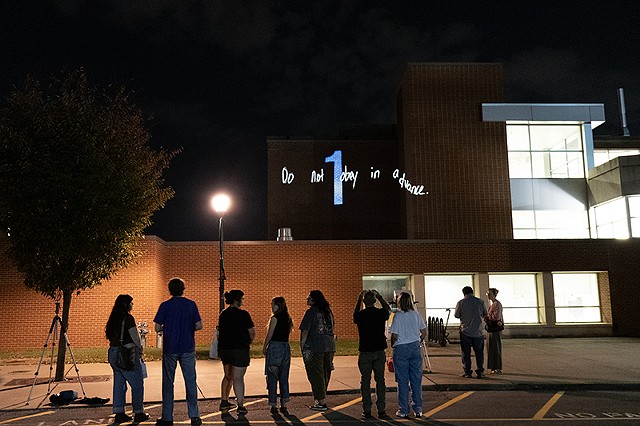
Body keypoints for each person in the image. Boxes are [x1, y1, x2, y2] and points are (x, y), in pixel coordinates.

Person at [153, 278, 203, 426]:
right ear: (183, 289)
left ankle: (167, 417)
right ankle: (194, 415)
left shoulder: (165, 306)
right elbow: (199, 325)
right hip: (187, 347)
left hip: (170, 348)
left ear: (170, 289)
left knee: (168, 382)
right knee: (190, 381)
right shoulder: (191, 305)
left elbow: (157, 328)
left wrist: (167, 328)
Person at [105, 295, 150, 424]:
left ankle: (119, 412)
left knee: (119, 384)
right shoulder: (128, 318)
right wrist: (140, 350)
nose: (132, 305)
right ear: (125, 305)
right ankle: (138, 412)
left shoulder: (113, 318)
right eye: (131, 303)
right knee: (137, 384)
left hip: (113, 352)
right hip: (126, 354)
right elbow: (135, 336)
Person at [353, 290, 391, 419]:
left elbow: (355, 314)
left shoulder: (361, 315)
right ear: (374, 301)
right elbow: (388, 309)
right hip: (379, 350)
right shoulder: (380, 313)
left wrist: (358, 299)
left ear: (364, 302)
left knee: (365, 381)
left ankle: (367, 410)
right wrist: (380, 296)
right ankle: (381, 410)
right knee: (380, 380)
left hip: (365, 351)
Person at [218, 289, 255, 416]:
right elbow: (252, 332)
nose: (243, 301)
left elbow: (220, 333)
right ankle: (240, 405)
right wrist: (248, 342)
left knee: (228, 376)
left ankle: (224, 401)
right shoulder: (244, 314)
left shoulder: (223, 314)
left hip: (225, 349)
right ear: (236, 300)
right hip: (240, 349)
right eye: (242, 299)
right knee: (238, 378)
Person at [390, 292, 427, 419]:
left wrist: (392, 345)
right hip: (414, 347)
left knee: (402, 381)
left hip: (401, 348)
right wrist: (419, 340)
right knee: (416, 380)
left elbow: (394, 335)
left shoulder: (397, 316)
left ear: (399, 302)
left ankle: (404, 410)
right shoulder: (416, 315)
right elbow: (424, 331)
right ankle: (418, 409)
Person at [299, 290, 336, 411]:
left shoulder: (311, 312)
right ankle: (321, 397)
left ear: (314, 300)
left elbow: (305, 331)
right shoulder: (328, 312)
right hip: (330, 346)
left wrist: (302, 346)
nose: (306, 299)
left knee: (316, 374)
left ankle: (321, 402)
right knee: (326, 373)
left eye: (308, 298)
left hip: (315, 346)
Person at [262, 296, 293, 415]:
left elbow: (270, 334)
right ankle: (284, 404)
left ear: (278, 305)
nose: (271, 306)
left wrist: (264, 346)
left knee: (272, 378)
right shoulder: (288, 318)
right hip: (285, 347)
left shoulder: (275, 318)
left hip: (275, 348)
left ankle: (273, 404)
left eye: (273, 304)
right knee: (284, 377)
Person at [454, 286, 488, 379]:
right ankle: (480, 371)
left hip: (465, 331)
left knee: (466, 353)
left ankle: (467, 372)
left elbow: (456, 315)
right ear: (472, 292)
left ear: (463, 293)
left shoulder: (461, 303)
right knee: (479, 353)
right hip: (478, 331)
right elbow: (485, 314)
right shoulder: (480, 302)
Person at [486, 287, 504, 373]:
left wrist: (488, 317)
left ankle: (497, 366)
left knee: (495, 347)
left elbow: (496, 317)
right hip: (492, 329)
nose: (488, 295)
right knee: (491, 347)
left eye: (489, 293)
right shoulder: (493, 304)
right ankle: (493, 366)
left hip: (495, 329)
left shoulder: (497, 304)